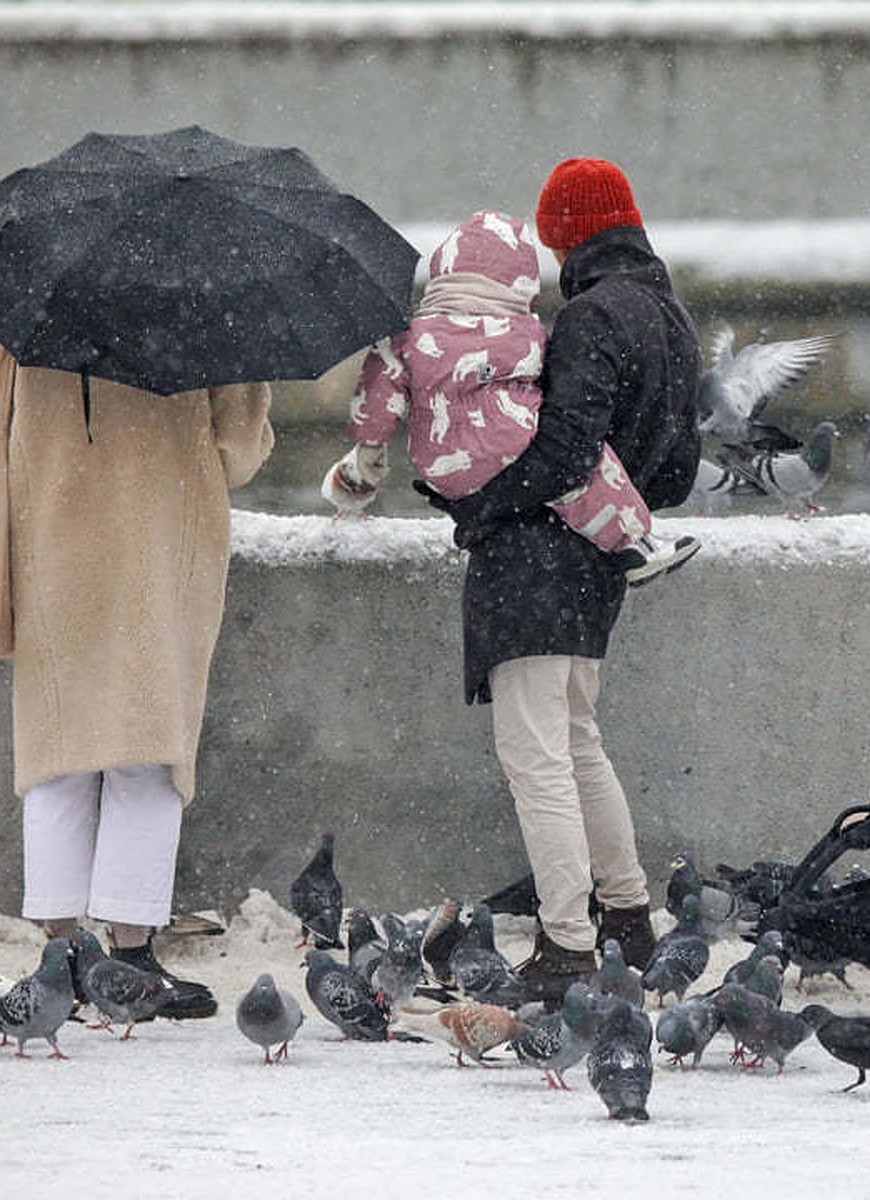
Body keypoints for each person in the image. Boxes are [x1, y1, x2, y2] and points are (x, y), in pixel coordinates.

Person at [414, 157, 703, 1000]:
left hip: (532, 567)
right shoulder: (669, 317)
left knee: (536, 759)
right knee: (577, 746)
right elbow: (677, 472)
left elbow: (562, 451)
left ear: (568, 235)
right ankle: (629, 918)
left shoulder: (586, 319)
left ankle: (569, 945)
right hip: (598, 570)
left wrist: (472, 502)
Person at [0, 348, 274, 1018]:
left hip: (51, 539)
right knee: (147, 756)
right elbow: (240, 451)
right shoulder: (202, 304)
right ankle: (130, 956)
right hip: (159, 540)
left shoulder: (27, 300)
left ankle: (58, 963)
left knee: (57, 755)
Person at [322, 209, 699, 586]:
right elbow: (553, 389)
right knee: (590, 471)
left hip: (439, 463)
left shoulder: (408, 337)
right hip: (511, 441)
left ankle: (353, 485)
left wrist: (369, 446)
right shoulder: (526, 332)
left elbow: (378, 394)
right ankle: (632, 544)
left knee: (564, 480)